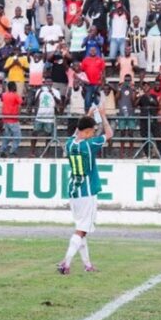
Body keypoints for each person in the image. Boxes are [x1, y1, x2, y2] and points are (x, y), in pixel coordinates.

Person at [57, 111, 113, 275]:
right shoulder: (89, 145)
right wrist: (102, 115)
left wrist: (87, 114)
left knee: (82, 228)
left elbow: (76, 132)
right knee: (82, 230)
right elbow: (109, 133)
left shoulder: (69, 144)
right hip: (87, 191)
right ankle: (66, 263)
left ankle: (87, 265)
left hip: (74, 190)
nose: (94, 133)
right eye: (93, 131)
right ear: (88, 131)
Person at [30, 79, 61, 157]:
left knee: (48, 135)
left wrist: (52, 93)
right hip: (40, 116)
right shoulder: (39, 90)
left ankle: (46, 152)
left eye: (49, 82)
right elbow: (35, 102)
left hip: (49, 117)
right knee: (34, 133)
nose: (48, 83)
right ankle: (32, 152)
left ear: (52, 83)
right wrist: (40, 92)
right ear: (44, 83)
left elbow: (59, 102)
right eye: (46, 82)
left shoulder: (56, 91)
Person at [136, 82, 159, 158]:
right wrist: (139, 97)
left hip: (152, 118)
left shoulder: (153, 96)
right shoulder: (141, 97)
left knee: (155, 135)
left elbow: (156, 104)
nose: (145, 87)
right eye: (144, 86)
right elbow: (135, 105)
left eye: (147, 86)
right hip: (144, 118)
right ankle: (146, 153)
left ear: (149, 87)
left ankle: (156, 153)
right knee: (144, 136)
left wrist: (148, 96)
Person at [81, 46, 106, 112]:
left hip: (98, 84)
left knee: (98, 101)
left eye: (94, 50)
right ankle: (87, 115)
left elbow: (103, 72)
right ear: (89, 51)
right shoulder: (85, 60)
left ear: (96, 51)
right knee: (87, 100)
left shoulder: (100, 60)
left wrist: (103, 83)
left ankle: (98, 116)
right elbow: (82, 72)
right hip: (88, 84)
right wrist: (83, 81)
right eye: (91, 50)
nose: (92, 52)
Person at [127, 15, 146, 82]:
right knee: (132, 66)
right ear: (132, 21)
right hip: (133, 51)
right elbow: (127, 40)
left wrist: (146, 51)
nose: (136, 21)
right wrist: (127, 50)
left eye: (137, 20)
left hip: (141, 51)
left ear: (139, 21)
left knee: (142, 68)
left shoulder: (142, 29)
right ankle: (132, 82)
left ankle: (141, 83)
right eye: (134, 20)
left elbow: (144, 40)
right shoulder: (130, 29)